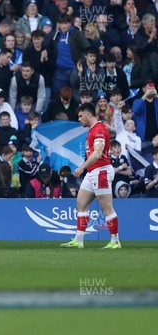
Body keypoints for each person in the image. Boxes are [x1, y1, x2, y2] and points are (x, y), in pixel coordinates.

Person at [61, 103, 120, 249]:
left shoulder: (99, 129)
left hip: (101, 171)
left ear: (88, 115)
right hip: (93, 171)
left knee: (106, 207)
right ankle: (78, 241)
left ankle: (115, 241)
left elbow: (97, 153)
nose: (79, 119)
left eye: (81, 116)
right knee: (81, 203)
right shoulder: (92, 129)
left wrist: (81, 167)